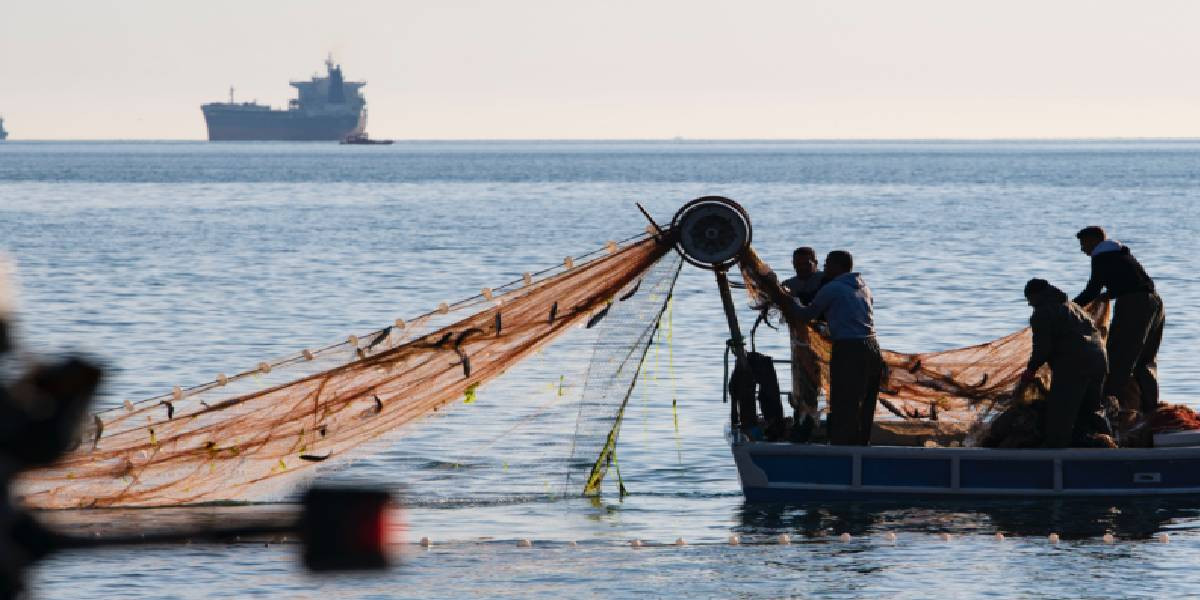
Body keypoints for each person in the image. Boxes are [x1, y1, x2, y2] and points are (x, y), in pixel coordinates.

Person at [789, 250, 881, 445]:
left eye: (828, 264)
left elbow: (806, 315)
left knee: (843, 400)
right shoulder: (864, 287)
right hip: (873, 347)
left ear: (839, 267)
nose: (824, 267)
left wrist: (788, 300)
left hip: (849, 349)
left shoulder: (832, 288)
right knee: (865, 401)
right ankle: (862, 444)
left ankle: (842, 446)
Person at [1072, 226, 1165, 415]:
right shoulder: (1120, 254)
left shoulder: (1101, 256)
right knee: (1145, 361)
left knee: (1119, 356)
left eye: (1083, 244)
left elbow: (1092, 290)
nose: (1083, 250)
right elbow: (1130, 281)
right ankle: (1149, 410)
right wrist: (1111, 293)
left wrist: (1069, 306)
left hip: (1134, 306)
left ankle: (1111, 407)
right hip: (1155, 303)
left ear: (1093, 240)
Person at [1018, 278, 1109, 447]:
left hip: (1073, 366)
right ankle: (1107, 443)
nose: (1030, 305)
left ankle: (1055, 451)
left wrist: (1030, 371)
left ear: (1037, 296)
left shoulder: (1043, 313)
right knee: (1091, 410)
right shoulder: (1074, 307)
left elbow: (1042, 349)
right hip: (1099, 362)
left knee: (1060, 414)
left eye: (1029, 300)